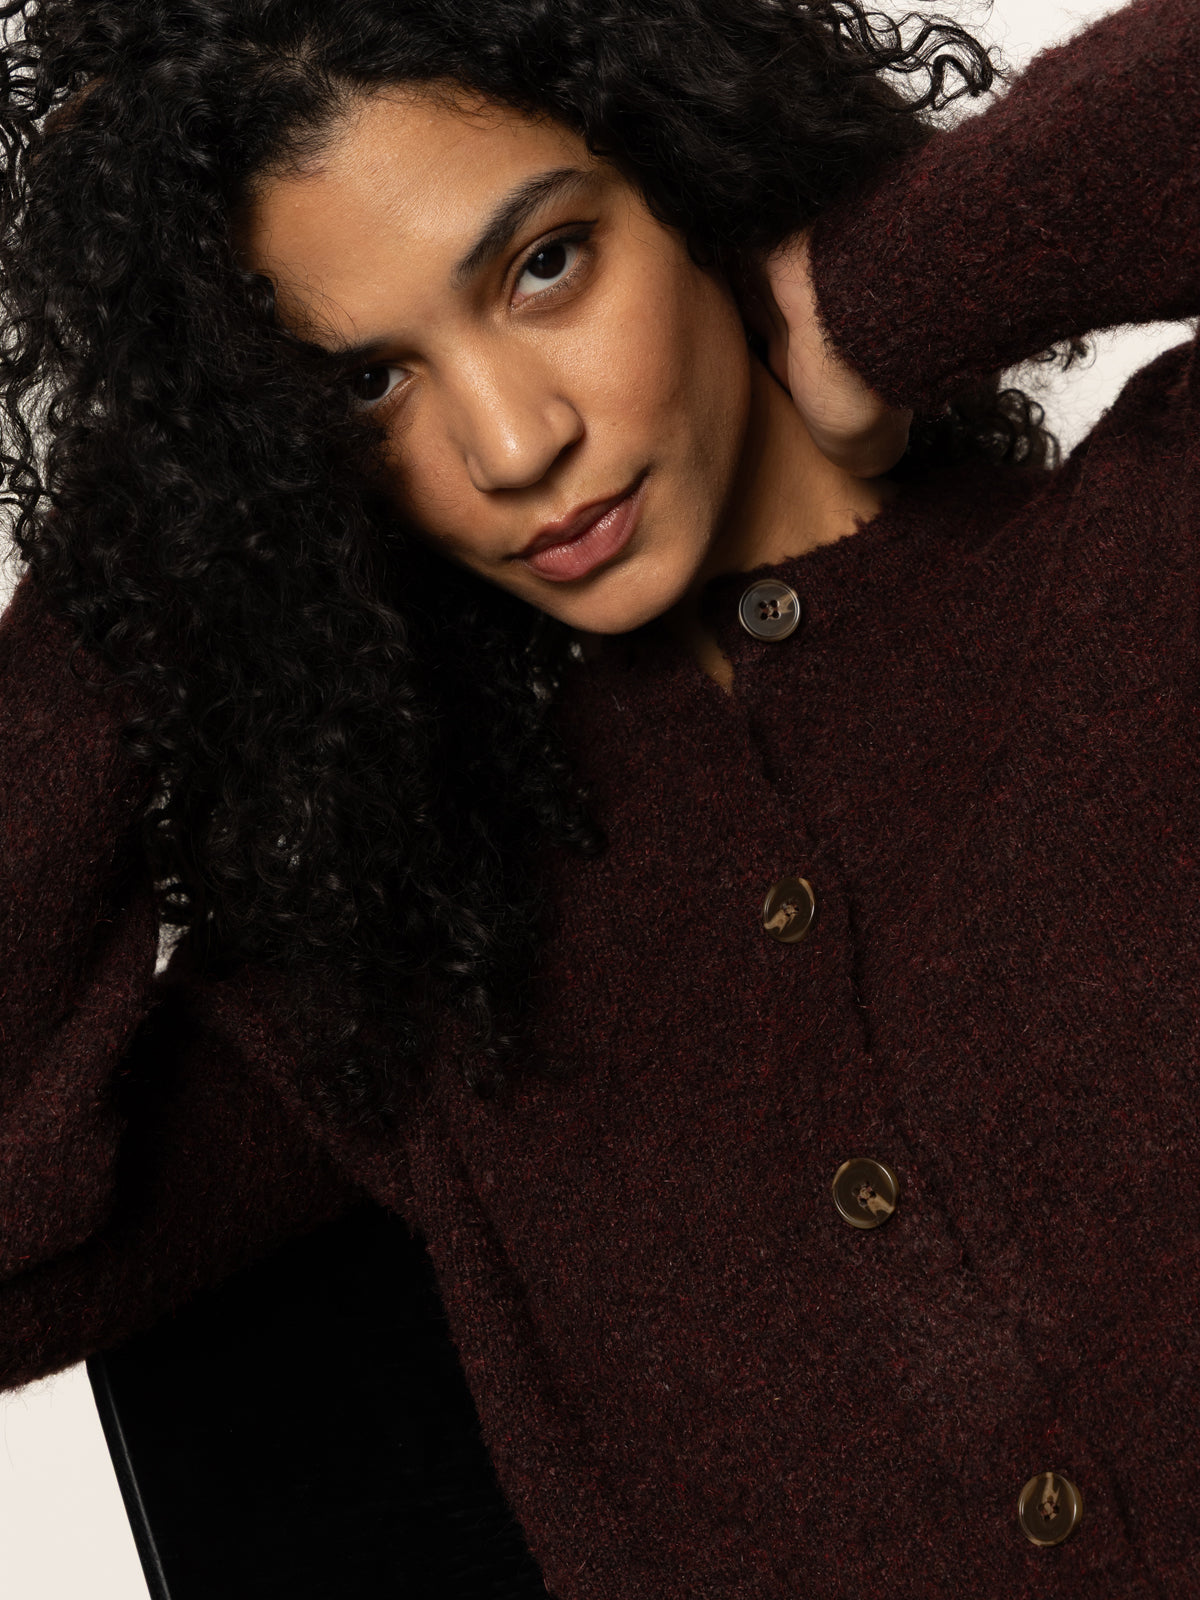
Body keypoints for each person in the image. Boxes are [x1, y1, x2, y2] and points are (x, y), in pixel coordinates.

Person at [0, 0, 1196, 1592]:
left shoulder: (1145, 559)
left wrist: (875, 294)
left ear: (692, 171)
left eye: (545, 265)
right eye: (364, 385)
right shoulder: (420, 962)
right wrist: (156, 527)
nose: (511, 443)